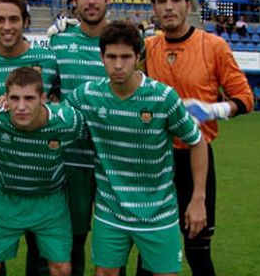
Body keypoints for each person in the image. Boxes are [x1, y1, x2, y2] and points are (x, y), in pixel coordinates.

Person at [67, 20, 209, 276]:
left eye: (125, 57)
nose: (118, 65)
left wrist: (198, 198)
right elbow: (52, 116)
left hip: (158, 212)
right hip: (111, 210)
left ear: (138, 57)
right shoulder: (86, 96)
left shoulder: (163, 98)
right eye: (111, 57)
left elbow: (197, 142)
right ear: (102, 57)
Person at [144, 0, 254, 276]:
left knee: (198, 253)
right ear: (153, 8)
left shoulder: (214, 46)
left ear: (188, 5)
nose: (169, 7)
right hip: (156, 162)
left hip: (197, 160)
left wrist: (212, 109)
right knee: (148, 257)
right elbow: (113, 57)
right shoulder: (148, 47)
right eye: (162, 1)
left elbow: (245, 98)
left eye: (175, 0)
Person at [0, 0, 60, 276]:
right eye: (0, 19)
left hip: (43, 169)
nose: (7, 26)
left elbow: (58, 106)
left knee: (42, 255)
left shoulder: (48, 61)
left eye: (13, 19)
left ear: (26, 21)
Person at [0, 67, 85, 276]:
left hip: (49, 201)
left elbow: (90, 130)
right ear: (4, 98)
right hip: (2, 200)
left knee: (61, 268)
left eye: (29, 98)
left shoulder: (67, 121)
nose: (21, 106)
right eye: (14, 98)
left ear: (43, 98)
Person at [47, 0, 113, 276]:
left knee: (114, 246)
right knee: (72, 243)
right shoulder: (58, 42)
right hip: (72, 161)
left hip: (114, 161)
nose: (90, 1)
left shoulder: (123, 44)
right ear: (74, 1)